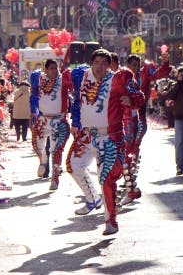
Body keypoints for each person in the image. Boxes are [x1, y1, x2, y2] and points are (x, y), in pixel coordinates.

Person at [68, 49, 144, 236]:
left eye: (104, 63)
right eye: (96, 62)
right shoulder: (81, 75)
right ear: (91, 63)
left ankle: (111, 220)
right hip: (87, 136)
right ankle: (93, 199)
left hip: (110, 137)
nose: (99, 67)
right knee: (73, 165)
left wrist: (130, 99)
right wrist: (75, 122)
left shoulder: (119, 79)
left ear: (110, 66)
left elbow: (139, 97)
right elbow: (77, 101)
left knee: (106, 179)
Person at [30, 59, 72, 190]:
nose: (54, 71)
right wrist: (33, 111)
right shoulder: (38, 78)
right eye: (51, 68)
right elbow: (33, 96)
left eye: (56, 68)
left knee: (56, 151)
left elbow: (76, 91)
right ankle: (43, 160)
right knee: (36, 144)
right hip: (42, 119)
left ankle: (55, 178)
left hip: (59, 121)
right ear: (45, 70)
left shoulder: (64, 78)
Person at [121, 54, 146, 205]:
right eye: (134, 65)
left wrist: (130, 101)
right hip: (115, 123)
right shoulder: (114, 78)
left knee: (126, 157)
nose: (136, 68)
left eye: (138, 65)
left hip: (130, 123)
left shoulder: (131, 80)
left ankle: (131, 190)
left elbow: (140, 99)